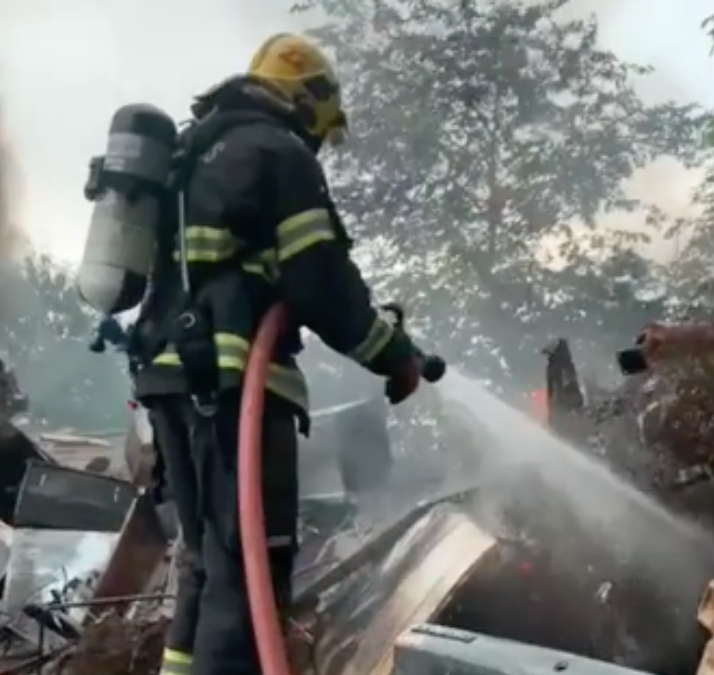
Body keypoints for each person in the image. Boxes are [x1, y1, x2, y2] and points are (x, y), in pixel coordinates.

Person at [129, 32, 424, 675]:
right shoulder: (277, 150)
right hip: (232, 388)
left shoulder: (187, 155)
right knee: (250, 564)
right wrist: (393, 354)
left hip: (167, 381)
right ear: (310, 102)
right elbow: (319, 279)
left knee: (205, 562)